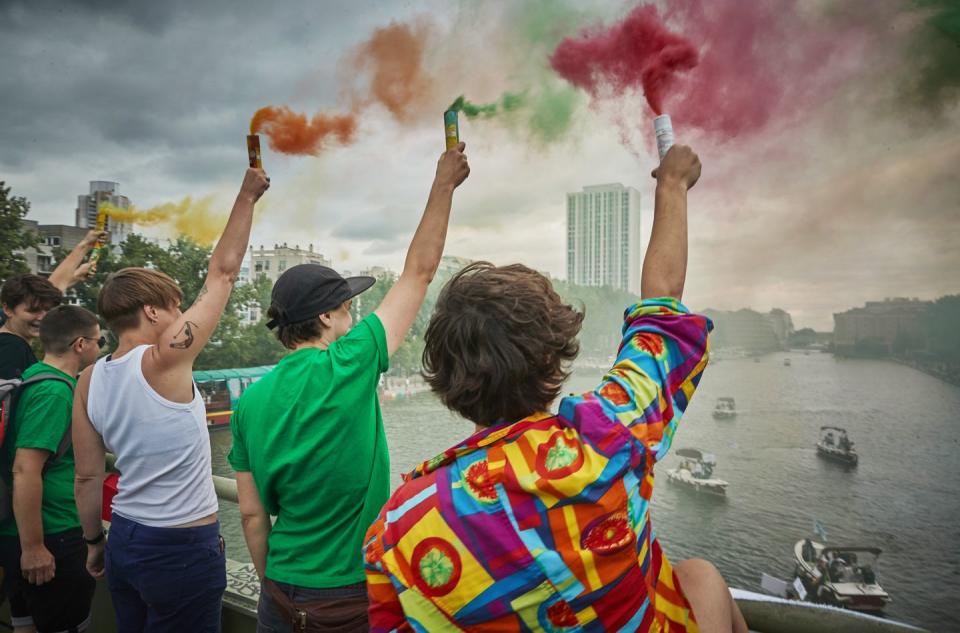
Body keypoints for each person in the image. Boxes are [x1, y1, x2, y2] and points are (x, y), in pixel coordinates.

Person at [363, 146, 749, 632]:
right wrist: (671, 186)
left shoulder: (400, 523)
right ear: (552, 357)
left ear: (447, 378)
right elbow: (662, 312)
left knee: (697, 576)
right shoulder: (607, 436)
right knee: (701, 577)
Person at [230, 143, 469, 632]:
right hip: (345, 594)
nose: (352, 313)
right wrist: (444, 183)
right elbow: (419, 272)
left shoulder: (249, 400)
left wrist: (274, 589)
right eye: (345, 306)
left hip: (277, 591)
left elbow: (253, 516)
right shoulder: (350, 363)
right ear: (324, 316)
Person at [71, 167, 269, 633]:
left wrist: (94, 542)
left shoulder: (88, 380)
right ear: (152, 311)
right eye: (177, 307)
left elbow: (86, 476)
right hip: (179, 548)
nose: (183, 315)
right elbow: (222, 275)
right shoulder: (164, 361)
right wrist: (246, 196)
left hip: (124, 538)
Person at [0, 305, 103, 633]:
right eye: (98, 341)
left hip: (25, 533)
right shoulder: (55, 391)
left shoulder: (31, 377)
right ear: (80, 345)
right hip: (50, 536)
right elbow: (25, 469)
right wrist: (33, 549)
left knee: (25, 625)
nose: (100, 349)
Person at [0, 232, 104, 380]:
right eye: (33, 310)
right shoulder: (11, 349)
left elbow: (51, 289)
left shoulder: (6, 329)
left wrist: (84, 248)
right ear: (8, 309)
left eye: (47, 310)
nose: (43, 317)